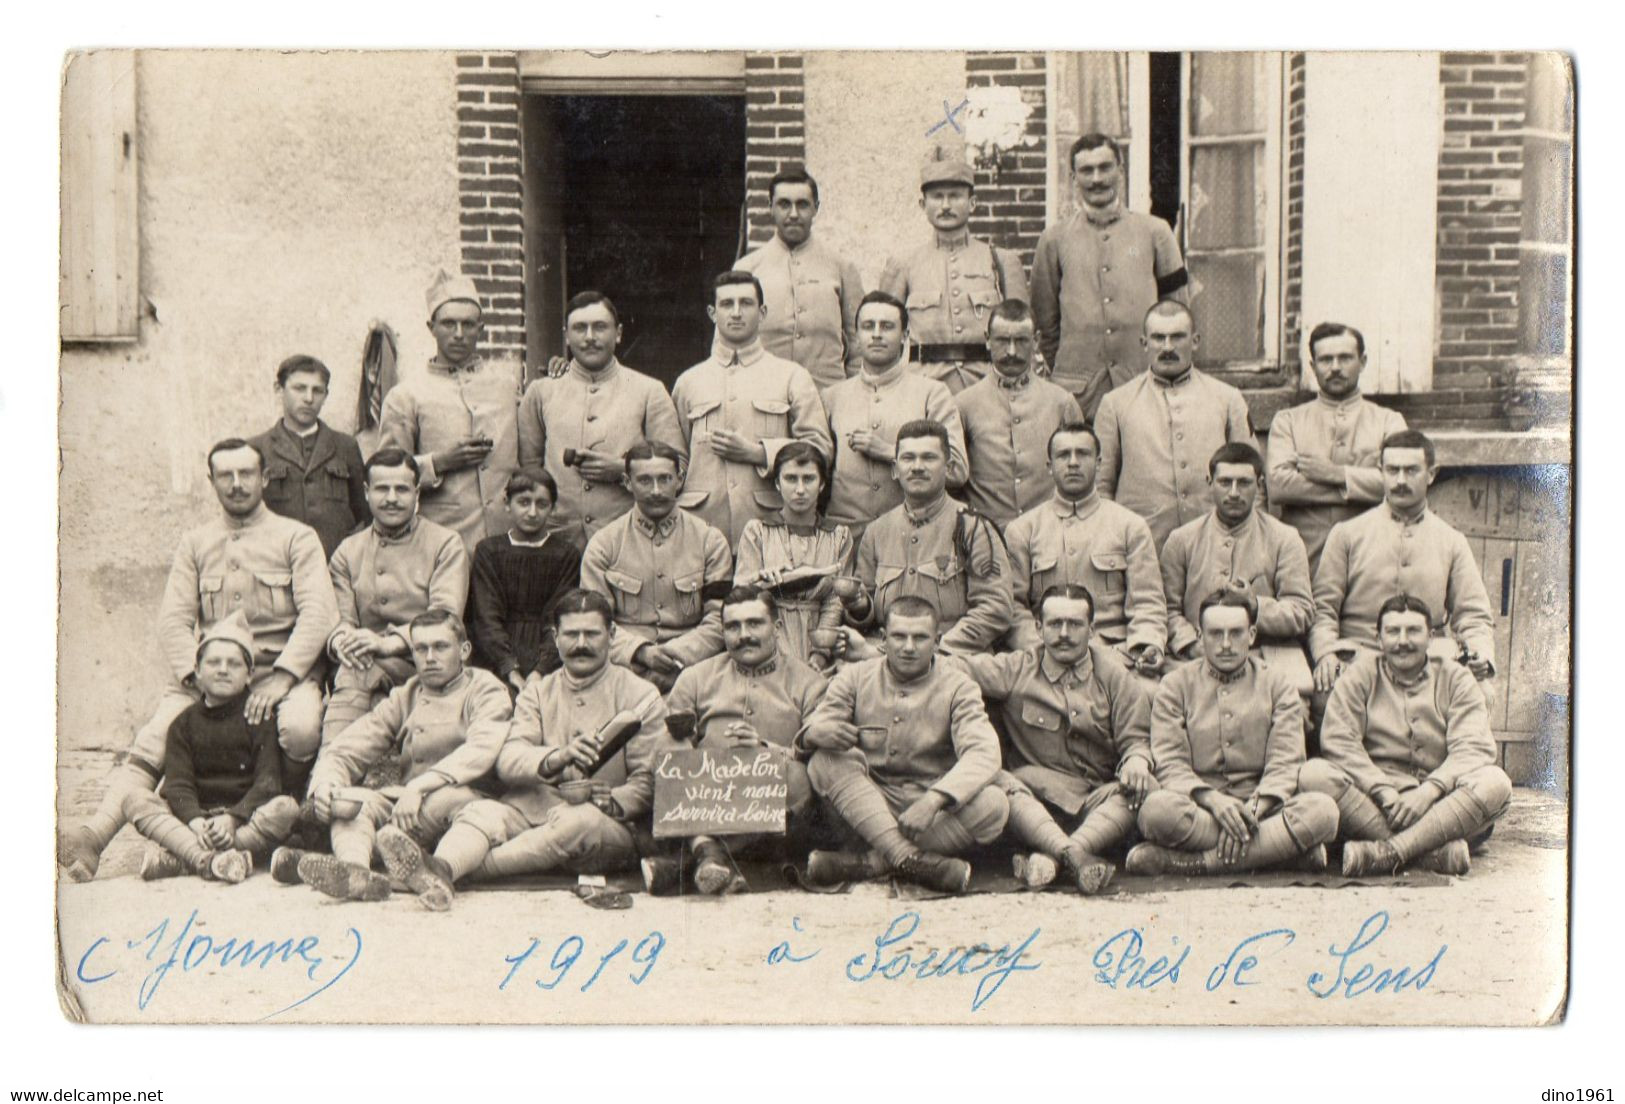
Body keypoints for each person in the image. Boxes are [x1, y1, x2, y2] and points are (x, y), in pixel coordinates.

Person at [58, 439, 336, 882]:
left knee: (300, 727)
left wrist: (281, 679)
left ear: (264, 478)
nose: (237, 484)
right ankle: (93, 836)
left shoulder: (295, 537)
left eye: (247, 474)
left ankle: (279, 827)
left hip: (277, 672)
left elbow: (320, 614)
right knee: (156, 736)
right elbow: (173, 621)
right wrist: (197, 676)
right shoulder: (196, 542)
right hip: (213, 673)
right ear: (212, 482)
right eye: (225, 475)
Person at [380, 590, 666, 910]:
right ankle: (443, 869)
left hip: (603, 825)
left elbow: (648, 780)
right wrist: (559, 755)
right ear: (556, 638)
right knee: (481, 812)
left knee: (576, 824)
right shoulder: (538, 693)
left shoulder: (642, 696)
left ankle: (454, 872)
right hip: (533, 806)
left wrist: (611, 803)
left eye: (591, 634)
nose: (581, 643)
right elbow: (509, 759)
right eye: (571, 634)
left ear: (611, 635)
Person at [281, 609, 512, 902]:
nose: (429, 657)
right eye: (420, 649)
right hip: (408, 808)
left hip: (465, 801)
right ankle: (355, 874)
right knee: (351, 804)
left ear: (464, 650)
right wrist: (326, 785)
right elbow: (348, 747)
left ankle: (437, 874)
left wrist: (420, 786)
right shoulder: (408, 693)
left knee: (470, 811)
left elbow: (481, 749)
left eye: (440, 647)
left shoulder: (486, 689)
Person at [951, 586, 1153, 895]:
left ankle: (1058, 857)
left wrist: (1137, 760)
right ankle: (1075, 858)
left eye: (1074, 625)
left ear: (1092, 629)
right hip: (1036, 802)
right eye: (1055, 624)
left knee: (1144, 787)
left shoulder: (1115, 676)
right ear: (1038, 628)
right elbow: (951, 666)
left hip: (1096, 803)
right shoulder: (1016, 668)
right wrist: (871, 655)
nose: (1064, 634)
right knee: (997, 782)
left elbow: (1135, 738)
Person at [802, 597, 1009, 894]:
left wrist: (934, 800)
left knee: (995, 803)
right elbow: (817, 726)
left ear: (937, 641)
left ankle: (872, 863)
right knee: (825, 761)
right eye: (899, 636)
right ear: (884, 639)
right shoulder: (855, 676)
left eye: (920, 637)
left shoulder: (959, 686)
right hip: (866, 805)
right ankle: (907, 858)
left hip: (928, 811)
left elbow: (984, 752)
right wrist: (816, 734)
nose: (908, 647)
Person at [1127, 590, 1339, 875]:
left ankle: (1198, 864)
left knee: (1324, 810)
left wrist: (1251, 812)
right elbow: (1170, 763)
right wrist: (1214, 801)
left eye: (1235, 633)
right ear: (1200, 637)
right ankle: (1279, 854)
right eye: (1215, 634)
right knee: (1155, 811)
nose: (1225, 645)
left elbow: (1286, 762)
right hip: (1201, 808)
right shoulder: (1175, 685)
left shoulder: (1278, 684)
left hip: (1262, 808)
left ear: (1251, 635)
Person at [1300, 595, 1512, 877]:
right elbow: (1340, 742)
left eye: (1413, 631)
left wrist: (1431, 789)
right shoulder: (1359, 675)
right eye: (1393, 631)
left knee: (1496, 783)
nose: (1402, 641)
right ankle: (1431, 853)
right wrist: (1382, 789)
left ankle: (1388, 852)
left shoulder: (1456, 678)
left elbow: (1472, 747)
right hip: (1377, 803)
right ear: (1378, 638)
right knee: (1313, 774)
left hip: (1441, 803)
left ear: (1431, 636)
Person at [648, 586, 829, 894]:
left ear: (777, 626)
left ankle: (704, 855)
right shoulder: (695, 677)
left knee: (798, 776)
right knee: (668, 748)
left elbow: (816, 757)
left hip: (776, 807)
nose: (743, 634)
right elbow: (669, 749)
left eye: (754, 623)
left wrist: (766, 750)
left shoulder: (810, 683)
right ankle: (708, 852)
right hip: (707, 794)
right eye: (733, 626)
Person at [1310, 429, 1496, 695]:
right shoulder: (1347, 534)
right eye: (1392, 470)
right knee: (1328, 693)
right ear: (1381, 471)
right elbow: (1323, 609)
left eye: (1411, 471)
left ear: (1431, 474)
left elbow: (1473, 615)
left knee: (1481, 693)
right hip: (1359, 656)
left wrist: (1480, 655)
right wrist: (1326, 653)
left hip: (1427, 660)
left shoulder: (1451, 541)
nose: (1400, 481)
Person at [124, 612, 301, 883]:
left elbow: (268, 782)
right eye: (213, 662)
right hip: (195, 822)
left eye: (234, 664)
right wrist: (196, 822)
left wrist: (232, 819)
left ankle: (188, 858)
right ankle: (212, 858)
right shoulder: (183, 724)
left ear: (249, 673)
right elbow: (178, 785)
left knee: (286, 808)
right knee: (135, 799)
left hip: (243, 821)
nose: (222, 669)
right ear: (197, 671)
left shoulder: (259, 718)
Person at [672, 270, 832, 548]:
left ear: (762, 312)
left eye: (746, 304)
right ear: (712, 313)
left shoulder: (791, 376)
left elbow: (819, 450)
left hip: (769, 528)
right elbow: (675, 459)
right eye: (726, 304)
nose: (736, 313)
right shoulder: (689, 381)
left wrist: (759, 454)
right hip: (701, 529)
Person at [1030, 134, 1188, 416]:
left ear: (1121, 170)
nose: (1097, 179)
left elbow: (1176, 311)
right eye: (1086, 170)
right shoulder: (1053, 240)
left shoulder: (1156, 233)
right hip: (1079, 396)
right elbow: (1045, 321)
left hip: (1143, 388)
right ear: (1073, 177)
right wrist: (1072, 372)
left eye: (1105, 167)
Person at [321, 449, 470, 744]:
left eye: (401, 489)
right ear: (366, 492)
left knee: (359, 676)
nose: (391, 498)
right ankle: (329, 774)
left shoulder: (445, 543)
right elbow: (341, 620)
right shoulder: (348, 551)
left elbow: (445, 614)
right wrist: (343, 642)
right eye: (382, 488)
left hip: (427, 657)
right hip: (366, 663)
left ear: (417, 493)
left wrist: (387, 644)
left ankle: (328, 774)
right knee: (354, 671)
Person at [516, 290, 685, 544]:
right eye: (580, 328)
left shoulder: (648, 390)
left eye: (600, 327)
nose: (590, 337)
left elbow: (678, 466)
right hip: (557, 540)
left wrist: (622, 471)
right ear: (567, 336)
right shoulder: (542, 392)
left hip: (628, 538)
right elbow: (528, 469)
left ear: (618, 334)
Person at [1094, 301, 1257, 551]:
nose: (1167, 347)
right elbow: (1101, 488)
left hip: (1213, 547)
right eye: (1158, 338)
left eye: (1177, 337)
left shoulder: (1227, 398)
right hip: (1142, 548)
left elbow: (1252, 477)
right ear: (1144, 343)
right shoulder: (1116, 404)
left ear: (1195, 341)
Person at [1004, 422, 1165, 674]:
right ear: (1049, 467)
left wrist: (1147, 644)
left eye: (1083, 454)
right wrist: (1041, 648)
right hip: (1043, 659)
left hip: (1115, 658)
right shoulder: (1022, 530)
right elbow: (1013, 607)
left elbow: (1147, 603)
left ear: (1099, 463)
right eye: (1063, 455)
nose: (1073, 462)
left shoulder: (1130, 526)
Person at [379, 267, 520, 554]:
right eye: (448, 324)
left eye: (468, 325)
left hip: (508, 542)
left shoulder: (508, 387)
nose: (459, 334)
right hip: (443, 545)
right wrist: (439, 462)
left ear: (481, 329)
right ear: (431, 327)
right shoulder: (407, 395)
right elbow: (386, 475)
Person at [843, 419, 1012, 656]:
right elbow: (866, 611)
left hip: (954, 663)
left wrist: (934, 651)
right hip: (886, 661)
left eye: (929, 458)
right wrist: (860, 608)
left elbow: (995, 608)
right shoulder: (877, 531)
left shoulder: (974, 528)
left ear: (948, 467)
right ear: (895, 469)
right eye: (908, 458)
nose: (917, 467)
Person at [578, 440, 732, 693]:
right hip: (623, 671)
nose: (657, 490)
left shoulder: (710, 541)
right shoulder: (604, 544)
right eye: (645, 481)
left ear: (679, 479)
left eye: (665, 479)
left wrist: (675, 656)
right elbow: (594, 621)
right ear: (627, 482)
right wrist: (640, 653)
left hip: (695, 670)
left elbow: (719, 619)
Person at [1161, 443, 1313, 694]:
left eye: (1243, 483)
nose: (1233, 492)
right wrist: (1191, 644)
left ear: (1260, 484)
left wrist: (1256, 606)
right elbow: (1167, 609)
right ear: (1210, 483)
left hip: (1264, 657)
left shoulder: (1284, 538)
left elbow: (1302, 612)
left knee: (1296, 709)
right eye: (1224, 482)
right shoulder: (1182, 540)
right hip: (1196, 657)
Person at [877, 156, 1030, 393]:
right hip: (923, 385)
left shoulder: (1001, 261)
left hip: (987, 384)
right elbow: (886, 331)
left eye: (955, 196)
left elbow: (1021, 331)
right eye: (937, 197)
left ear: (972, 203)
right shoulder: (903, 264)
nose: (946, 205)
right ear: (922, 204)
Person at [1267, 322, 1408, 574]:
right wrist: (1360, 483)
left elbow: (1398, 483)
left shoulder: (1389, 421)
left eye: (1344, 358)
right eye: (1325, 360)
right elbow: (1278, 486)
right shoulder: (1288, 421)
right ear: (1313, 367)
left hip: (1372, 556)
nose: (1335, 368)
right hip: (1304, 557)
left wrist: (1336, 474)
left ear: (1362, 362)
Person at [822, 290, 967, 534]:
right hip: (846, 539)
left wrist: (890, 452)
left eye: (887, 326)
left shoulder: (932, 393)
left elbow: (958, 470)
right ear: (856, 336)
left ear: (905, 335)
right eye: (868, 326)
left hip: (913, 537)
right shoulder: (832, 397)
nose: (876, 334)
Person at [954, 299, 1086, 528]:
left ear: (1036, 341)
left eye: (1021, 341)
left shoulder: (1061, 403)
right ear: (987, 340)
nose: (1011, 351)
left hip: (1049, 534)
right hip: (987, 539)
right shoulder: (963, 404)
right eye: (1003, 341)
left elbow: (1081, 476)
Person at [734, 167, 864, 392]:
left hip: (826, 395)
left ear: (816, 208)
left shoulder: (841, 266)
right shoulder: (747, 268)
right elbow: (727, 342)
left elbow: (859, 342)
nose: (793, 214)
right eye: (784, 204)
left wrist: (852, 395)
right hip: (763, 394)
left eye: (802, 204)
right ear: (770, 208)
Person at [733, 442, 855, 670]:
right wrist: (760, 582)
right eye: (791, 479)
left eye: (808, 479)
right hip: (767, 641)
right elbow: (741, 596)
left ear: (822, 484)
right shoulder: (757, 530)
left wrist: (820, 654)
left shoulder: (838, 536)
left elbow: (834, 602)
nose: (800, 489)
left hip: (818, 644)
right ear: (778, 483)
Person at [467, 467, 582, 693]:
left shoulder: (566, 554)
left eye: (541, 504)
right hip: (495, 655)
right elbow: (486, 617)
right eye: (523, 502)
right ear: (507, 504)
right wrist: (510, 669)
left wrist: (540, 671)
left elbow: (558, 617)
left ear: (553, 507)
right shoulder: (489, 551)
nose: (532, 512)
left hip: (549, 656)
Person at [251, 354, 370, 559]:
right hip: (278, 564)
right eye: (299, 388)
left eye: (317, 390)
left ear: (326, 395)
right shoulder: (256, 448)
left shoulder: (345, 446)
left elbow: (364, 514)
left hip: (335, 565)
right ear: (279, 389)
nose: (308, 398)